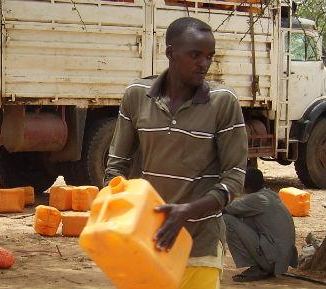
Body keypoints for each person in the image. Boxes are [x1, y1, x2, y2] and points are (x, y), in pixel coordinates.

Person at [104, 17, 248, 289]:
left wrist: (187, 211)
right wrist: (112, 203)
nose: (203, 64)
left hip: (199, 245)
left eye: (209, 56)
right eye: (195, 55)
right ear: (170, 52)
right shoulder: (137, 95)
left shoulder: (223, 103)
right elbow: (116, 167)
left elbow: (234, 179)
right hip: (144, 242)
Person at [223, 168, 298, 282]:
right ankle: (261, 265)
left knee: (227, 220)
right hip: (282, 261)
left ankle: (256, 267)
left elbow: (226, 208)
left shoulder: (256, 199)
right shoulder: (271, 195)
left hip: (272, 260)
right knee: (242, 218)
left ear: (246, 185)